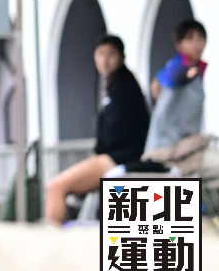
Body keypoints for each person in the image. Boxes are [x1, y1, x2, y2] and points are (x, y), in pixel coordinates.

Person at [44, 35, 149, 225]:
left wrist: (101, 150)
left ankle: (53, 236)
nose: (105, 60)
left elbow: (118, 132)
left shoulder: (125, 88)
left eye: (111, 55)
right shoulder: (115, 86)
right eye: (101, 54)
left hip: (117, 159)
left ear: (122, 57)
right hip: (113, 157)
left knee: (55, 187)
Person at [145, 19, 208, 156]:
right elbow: (170, 77)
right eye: (190, 38)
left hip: (185, 146)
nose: (196, 44)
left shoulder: (195, 69)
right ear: (179, 44)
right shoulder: (180, 67)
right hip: (167, 148)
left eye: (200, 38)